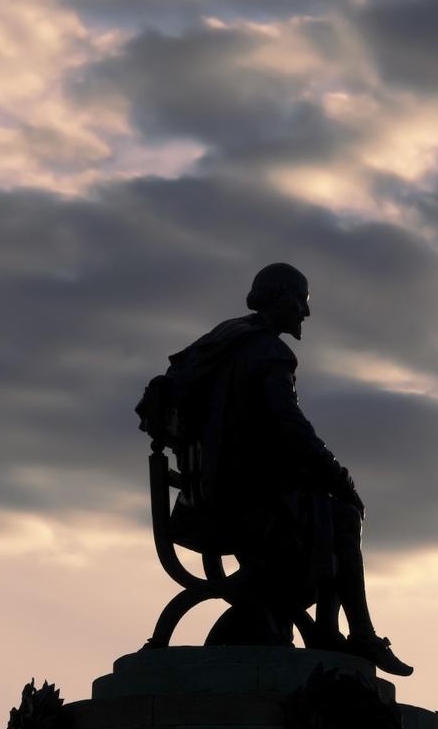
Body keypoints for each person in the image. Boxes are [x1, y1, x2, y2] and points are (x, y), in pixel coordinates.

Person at [152, 262, 412, 676]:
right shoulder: (269, 353)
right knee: (343, 512)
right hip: (246, 504)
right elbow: (291, 428)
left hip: (213, 494)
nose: (306, 312)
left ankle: (338, 629)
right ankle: (352, 633)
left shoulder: (229, 341)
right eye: (302, 300)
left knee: (328, 507)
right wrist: (340, 476)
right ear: (281, 298)